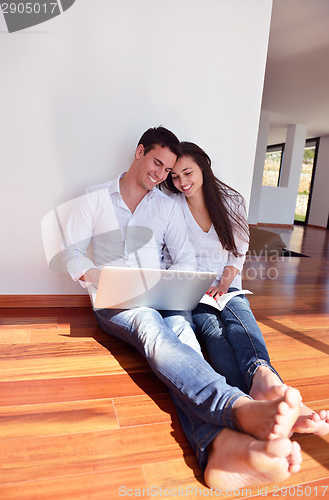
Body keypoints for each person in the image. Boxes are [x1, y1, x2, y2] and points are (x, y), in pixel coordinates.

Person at [60, 127, 303, 490]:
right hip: (116, 299)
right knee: (153, 333)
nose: (160, 175)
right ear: (140, 152)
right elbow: (69, 251)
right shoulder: (94, 198)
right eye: (157, 163)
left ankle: (219, 448)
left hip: (161, 294)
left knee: (186, 342)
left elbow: (184, 256)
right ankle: (236, 406)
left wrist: (171, 282)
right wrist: (94, 274)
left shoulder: (166, 205)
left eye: (168, 170)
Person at [163, 140, 329, 444]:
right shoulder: (171, 206)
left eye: (187, 172)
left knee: (239, 319)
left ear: (203, 166)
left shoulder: (230, 201)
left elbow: (237, 254)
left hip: (227, 284)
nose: (182, 182)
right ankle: (270, 397)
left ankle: (263, 378)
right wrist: (196, 287)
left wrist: (224, 284)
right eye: (175, 177)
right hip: (193, 288)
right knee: (213, 333)